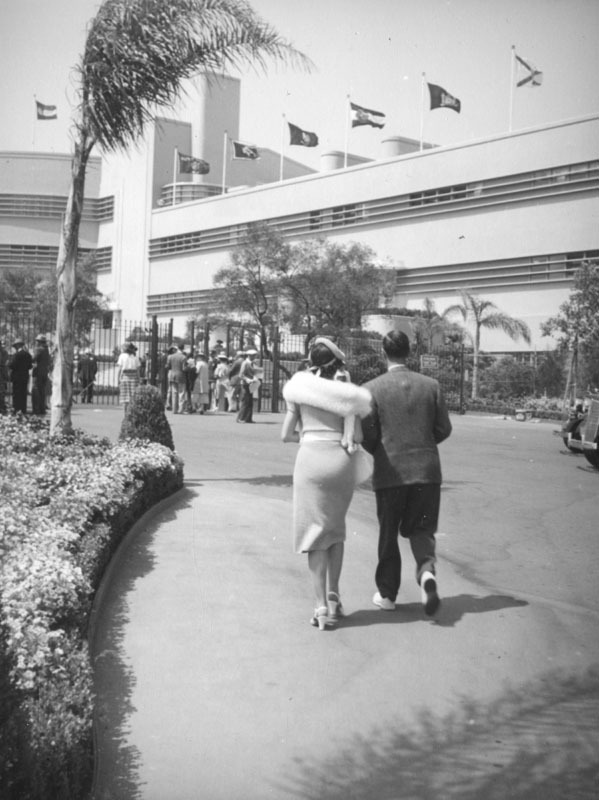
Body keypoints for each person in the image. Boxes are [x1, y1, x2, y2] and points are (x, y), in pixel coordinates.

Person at [282, 337, 372, 630]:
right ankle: (334, 595)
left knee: (313, 532)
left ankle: (320, 605)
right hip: (340, 462)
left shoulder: (299, 388)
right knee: (335, 529)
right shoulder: (346, 393)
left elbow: (286, 434)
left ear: (310, 361)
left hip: (311, 459)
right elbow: (357, 437)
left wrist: (307, 437)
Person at [362, 330, 452, 617]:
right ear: (409, 352)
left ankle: (387, 594)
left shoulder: (371, 388)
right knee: (422, 529)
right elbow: (444, 429)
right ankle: (426, 573)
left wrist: (381, 449)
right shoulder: (431, 385)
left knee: (388, 534)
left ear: (383, 353)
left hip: (391, 472)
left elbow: (367, 433)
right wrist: (422, 444)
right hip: (426, 472)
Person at [9, 339, 33, 414]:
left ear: (17, 346)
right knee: (23, 393)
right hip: (24, 377)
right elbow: (30, 366)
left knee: (16, 393)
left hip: (16, 377)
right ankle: (23, 409)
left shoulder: (16, 355)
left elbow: (12, 365)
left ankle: (16, 408)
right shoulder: (28, 355)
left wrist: (8, 364)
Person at [116, 343, 141, 414]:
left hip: (125, 377)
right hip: (134, 378)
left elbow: (119, 369)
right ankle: (132, 414)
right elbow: (138, 370)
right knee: (133, 397)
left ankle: (125, 414)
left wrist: (118, 379)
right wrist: (139, 380)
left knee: (125, 398)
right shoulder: (135, 357)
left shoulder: (122, 356)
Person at [236, 349, 259, 423]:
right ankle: (240, 418)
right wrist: (247, 379)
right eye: (252, 356)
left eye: (254, 355)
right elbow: (241, 375)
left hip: (252, 384)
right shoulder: (245, 363)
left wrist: (256, 377)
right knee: (245, 401)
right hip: (246, 384)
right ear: (249, 355)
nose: (253, 357)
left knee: (250, 401)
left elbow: (256, 373)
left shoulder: (254, 363)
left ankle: (248, 418)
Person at [31, 335, 52, 415]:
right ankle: (42, 409)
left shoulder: (39, 349)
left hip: (38, 373)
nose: (36, 342)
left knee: (36, 391)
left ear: (39, 342)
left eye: (37, 341)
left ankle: (36, 410)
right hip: (44, 372)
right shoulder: (46, 350)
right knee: (42, 391)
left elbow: (33, 359)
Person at [166, 344, 187, 413]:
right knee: (181, 393)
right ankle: (180, 409)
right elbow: (184, 368)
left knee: (174, 392)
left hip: (172, 375)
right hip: (181, 376)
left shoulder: (170, 356)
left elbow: (168, 366)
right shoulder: (183, 357)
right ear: (183, 348)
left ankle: (174, 409)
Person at [0, 338, 9, 413]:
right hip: (2, 373)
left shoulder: (4, 352)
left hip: (2, 373)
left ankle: (2, 406)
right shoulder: (4, 352)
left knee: (2, 391)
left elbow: (4, 364)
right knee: (2, 391)